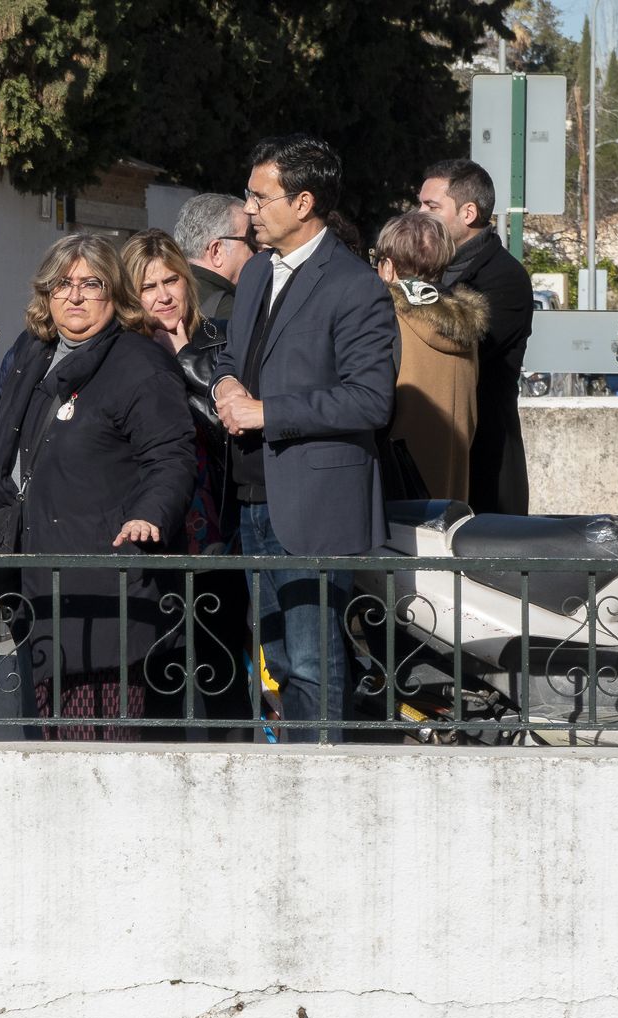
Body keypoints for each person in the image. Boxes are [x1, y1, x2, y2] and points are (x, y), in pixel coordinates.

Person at [211, 134, 398, 736]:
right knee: (278, 661)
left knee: (314, 662)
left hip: (313, 504)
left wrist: (267, 412)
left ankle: (321, 791)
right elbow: (232, 357)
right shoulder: (259, 270)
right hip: (249, 495)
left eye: (259, 197)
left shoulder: (354, 284)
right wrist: (224, 388)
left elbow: (371, 398)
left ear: (303, 203)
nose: (249, 210)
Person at [0, 233, 196, 737]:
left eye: (91, 283)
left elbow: (172, 455)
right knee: (51, 748)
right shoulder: (34, 355)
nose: (75, 295)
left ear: (116, 293)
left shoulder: (138, 364)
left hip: (105, 587)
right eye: (63, 283)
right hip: (40, 583)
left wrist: (151, 513)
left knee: (100, 756)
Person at [120, 229, 249, 727]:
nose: (164, 295)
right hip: (154, 532)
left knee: (224, 675)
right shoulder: (124, 354)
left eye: (171, 280)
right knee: (159, 676)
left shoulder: (221, 342)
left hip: (219, 528)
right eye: (148, 287)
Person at [419, 158, 533, 515]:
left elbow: (461, 346)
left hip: (481, 464)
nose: (418, 213)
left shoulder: (504, 278)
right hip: (428, 452)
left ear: (468, 213)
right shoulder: (432, 267)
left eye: (431, 206)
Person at [374, 211, 487, 502]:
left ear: (387, 267)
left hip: (398, 496)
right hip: (453, 495)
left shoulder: (386, 321)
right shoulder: (466, 329)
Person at [173, 193, 255, 322]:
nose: (258, 250)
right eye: (250, 240)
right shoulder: (230, 312)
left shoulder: (161, 302)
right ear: (216, 252)